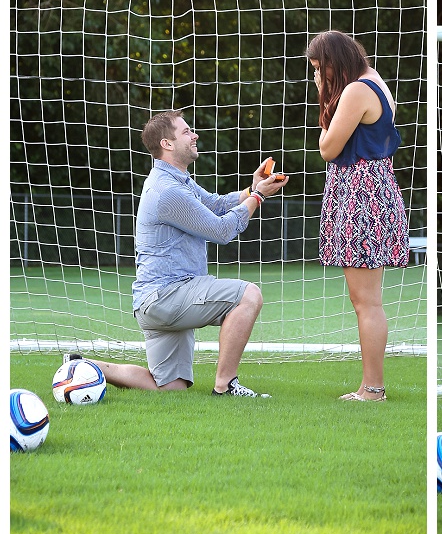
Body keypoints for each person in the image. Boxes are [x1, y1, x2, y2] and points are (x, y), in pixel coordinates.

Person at [64, 110, 289, 397]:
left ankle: (84, 366)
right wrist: (258, 197)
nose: (194, 135)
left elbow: (217, 204)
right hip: (166, 296)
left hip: (155, 301)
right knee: (248, 295)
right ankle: (226, 385)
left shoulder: (178, 180)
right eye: (186, 132)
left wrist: (252, 189)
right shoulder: (167, 190)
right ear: (167, 144)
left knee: (170, 386)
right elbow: (221, 231)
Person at [306, 30, 409, 402]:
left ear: (336, 61)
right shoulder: (374, 80)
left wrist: (323, 97)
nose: (320, 76)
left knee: (365, 301)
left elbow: (328, 148)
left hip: (361, 198)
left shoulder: (355, 91)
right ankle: (372, 386)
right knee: (367, 300)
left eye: (321, 69)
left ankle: (373, 389)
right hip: (371, 191)